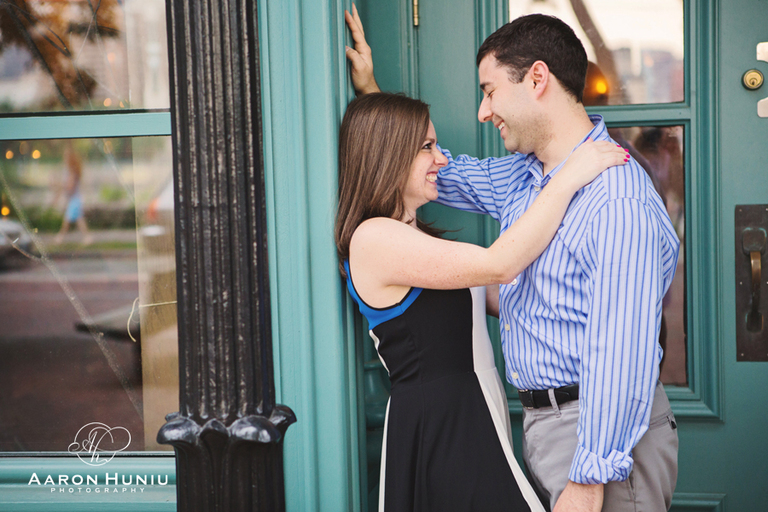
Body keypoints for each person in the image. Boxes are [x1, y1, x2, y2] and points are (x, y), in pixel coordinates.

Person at [344, 8, 680, 512]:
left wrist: (589, 480)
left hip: (597, 437)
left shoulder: (615, 200)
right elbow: (426, 170)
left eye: (489, 90)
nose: (483, 111)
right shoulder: (523, 179)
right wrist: (374, 95)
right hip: (539, 429)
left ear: (537, 79)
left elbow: (622, 353)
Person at [336, 92, 627, 511]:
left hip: (472, 413)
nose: (441, 159)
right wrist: (567, 176)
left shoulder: (411, 239)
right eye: (427, 147)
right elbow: (502, 265)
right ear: (387, 154)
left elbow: (505, 294)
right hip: (442, 427)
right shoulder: (372, 238)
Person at [54, 143, 92, 245]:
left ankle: (60, 237)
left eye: (66, 156)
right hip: (74, 199)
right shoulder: (70, 170)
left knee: (67, 219)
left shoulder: (72, 171)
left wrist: (60, 186)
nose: (64, 158)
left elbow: (70, 186)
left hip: (75, 199)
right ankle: (87, 237)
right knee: (79, 219)